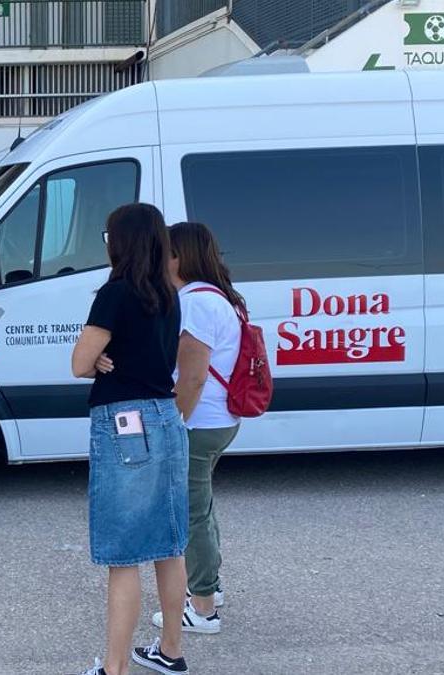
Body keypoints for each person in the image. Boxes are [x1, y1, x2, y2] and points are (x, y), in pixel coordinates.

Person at [70, 203, 188, 675]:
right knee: (167, 544)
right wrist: (103, 356)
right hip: (166, 415)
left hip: (124, 422)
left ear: (120, 242)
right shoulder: (169, 293)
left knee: (124, 555)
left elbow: (80, 362)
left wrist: (97, 359)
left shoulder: (115, 294)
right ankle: (172, 651)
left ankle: (113, 668)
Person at [148, 222, 243, 637]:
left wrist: (172, 423)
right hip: (218, 419)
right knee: (200, 507)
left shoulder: (197, 303)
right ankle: (210, 589)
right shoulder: (218, 297)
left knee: (190, 514)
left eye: (164, 251)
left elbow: (192, 377)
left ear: (179, 257)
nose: (158, 259)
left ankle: (202, 607)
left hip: (198, 421)